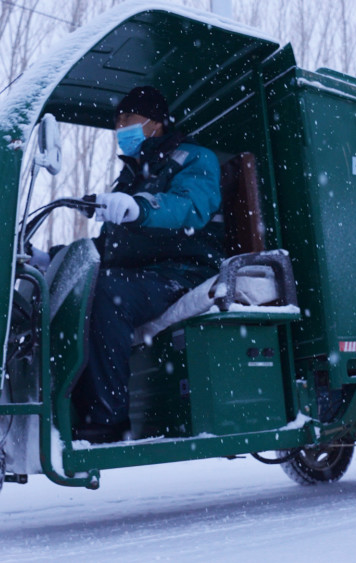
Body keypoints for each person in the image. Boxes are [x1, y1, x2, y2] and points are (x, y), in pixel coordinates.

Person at [66, 85, 223, 443]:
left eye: (128, 118)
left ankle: (108, 420)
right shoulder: (130, 176)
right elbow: (112, 244)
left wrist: (140, 208)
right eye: (117, 121)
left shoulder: (194, 159)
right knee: (78, 289)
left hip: (183, 271)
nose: (121, 127)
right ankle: (68, 409)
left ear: (154, 122)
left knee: (106, 292)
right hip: (143, 274)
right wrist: (57, 255)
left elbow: (188, 207)